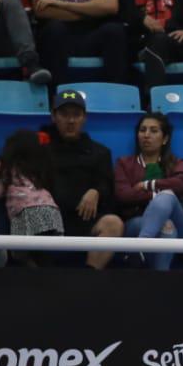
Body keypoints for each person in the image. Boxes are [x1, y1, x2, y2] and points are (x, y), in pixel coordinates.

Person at [41, 89, 124, 268]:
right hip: (47, 221)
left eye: (76, 115)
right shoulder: (39, 149)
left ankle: (89, 278)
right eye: (64, 114)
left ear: (84, 118)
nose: (71, 121)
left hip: (84, 221)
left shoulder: (100, 152)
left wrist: (96, 191)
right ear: (53, 117)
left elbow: (108, 188)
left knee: (113, 223)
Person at [113, 112, 183, 270]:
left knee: (168, 197)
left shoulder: (176, 163)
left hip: (180, 226)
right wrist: (157, 194)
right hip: (136, 223)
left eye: (154, 131)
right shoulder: (124, 163)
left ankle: (140, 247)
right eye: (142, 130)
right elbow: (123, 194)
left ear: (165, 139)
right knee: (167, 222)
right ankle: (159, 280)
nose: (146, 135)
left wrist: (148, 185)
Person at [0, 128, 65, 251]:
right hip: (51, 212)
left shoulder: (8, 169)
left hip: (25, 212)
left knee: (20, 252)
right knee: (44, 252)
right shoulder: (40, 167)